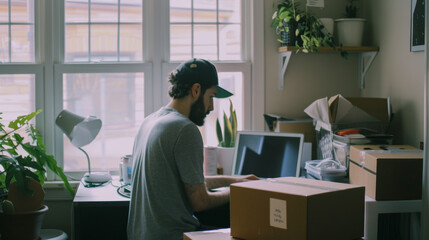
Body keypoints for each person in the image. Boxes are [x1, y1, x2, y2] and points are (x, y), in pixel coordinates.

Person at [127, 58, 258, 240]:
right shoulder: (184, 129)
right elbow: (200, 201)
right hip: (174, 236)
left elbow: (190, 182)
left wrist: (239, 180)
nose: (212, 107)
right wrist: (242, 190)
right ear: (196, 90)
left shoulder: (150, 121)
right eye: (211, 97)